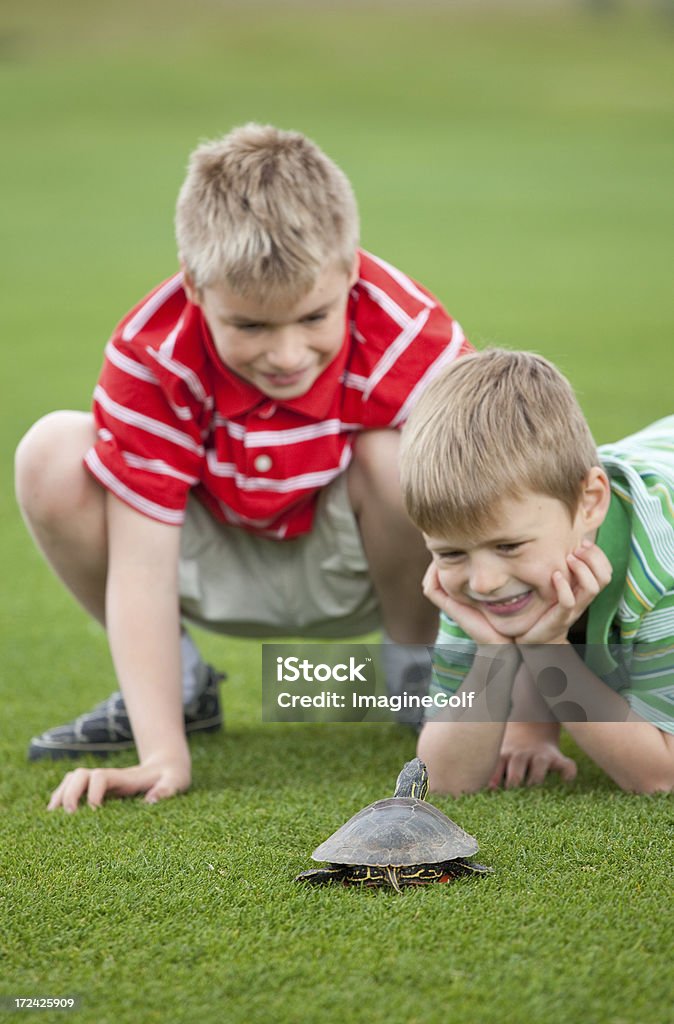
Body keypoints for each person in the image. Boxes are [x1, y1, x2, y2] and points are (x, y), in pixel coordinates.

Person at [14, 123, 472, 811]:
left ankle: (417, 677)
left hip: (370, 566)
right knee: (50, 453)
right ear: (196, 289)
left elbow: (492, 511)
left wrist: (517, 708)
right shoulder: (154, 353)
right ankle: (185, 689)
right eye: (252, 326)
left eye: (315, 317)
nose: (287, 356)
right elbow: (140, 565)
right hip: (208, 561)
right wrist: (162, 756)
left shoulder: (405, 329)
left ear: (349, 271)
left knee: (407, 454)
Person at [399, 348, 674, 795]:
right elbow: (443, 780)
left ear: (589, 504)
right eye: (449, 554)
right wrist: (493, 653)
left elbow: (660, 775)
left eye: (508, 546)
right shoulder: (476, 562)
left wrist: (547, 647)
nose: (483, 581)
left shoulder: (662, 561)